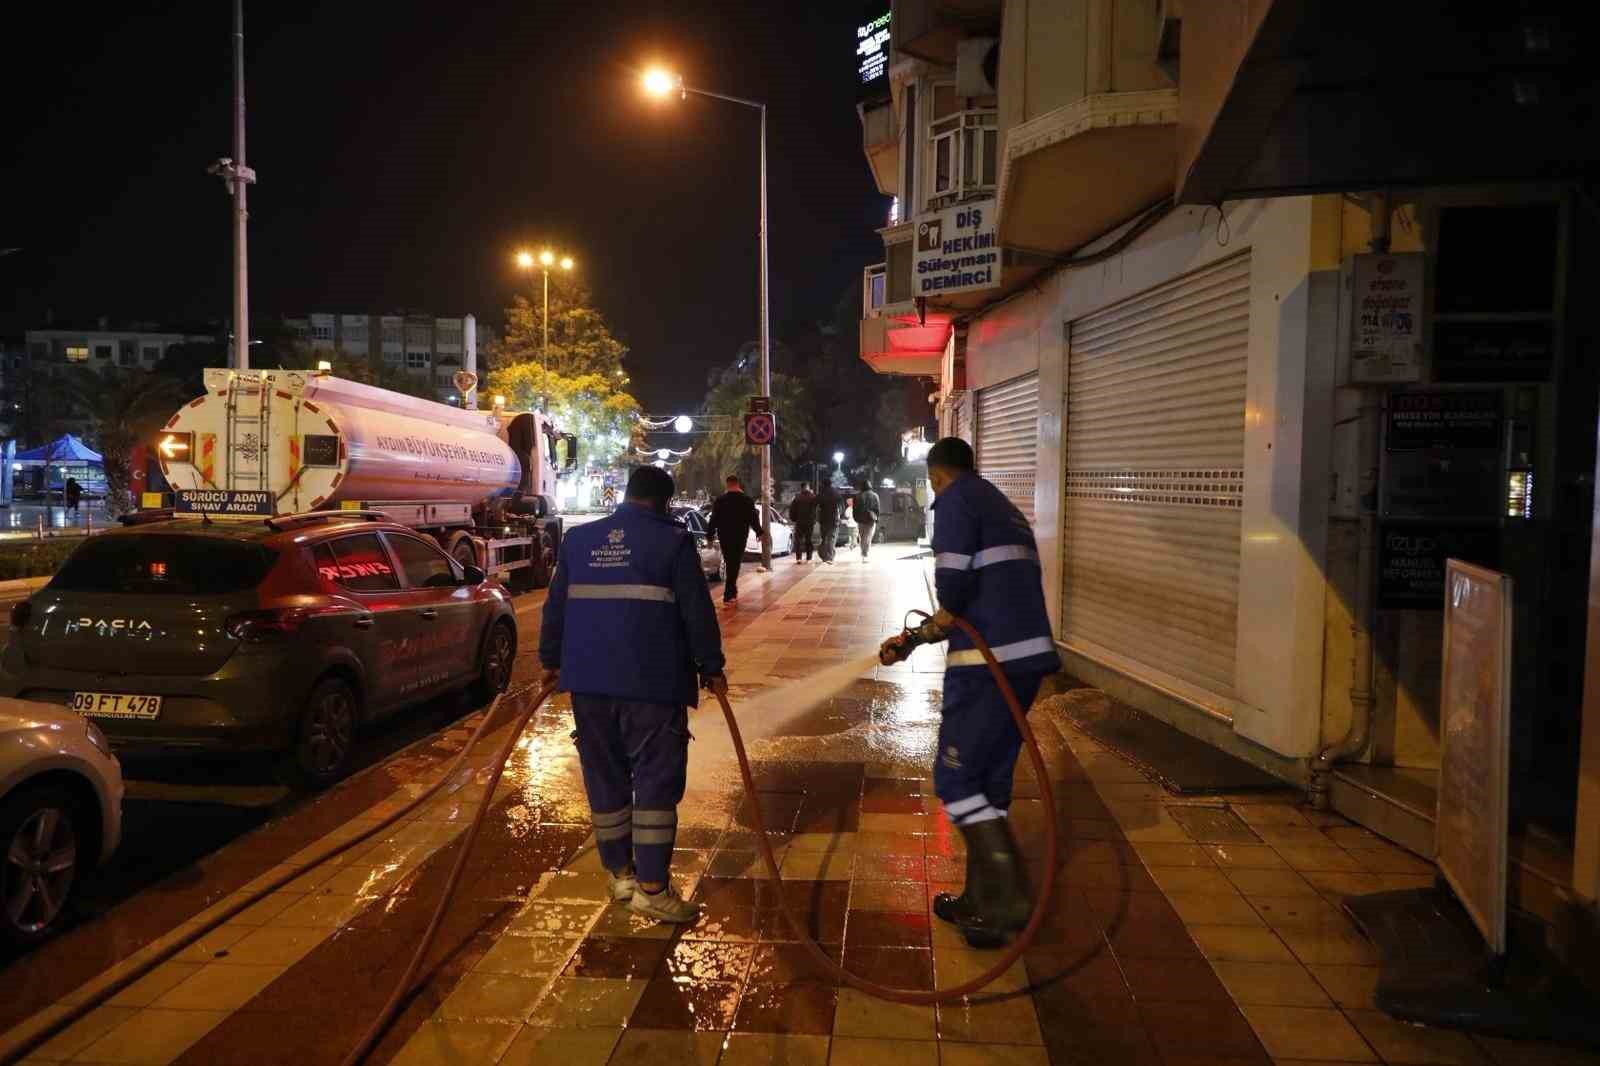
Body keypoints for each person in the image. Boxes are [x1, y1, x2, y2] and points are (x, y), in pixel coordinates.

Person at [879, 436, 1060, 948]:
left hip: (987, 665)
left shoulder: (955, 500)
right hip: (1024, 661)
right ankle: (981, 901)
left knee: (956, 781)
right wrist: (916, 639)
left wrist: (930, 626)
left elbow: (954, 590)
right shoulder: (1001, 504)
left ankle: (1006, 897)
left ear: (937, 476)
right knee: (990, 781)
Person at [539, 464, 727, 924]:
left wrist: (550, 661)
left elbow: (555, 607)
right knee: (656, 785)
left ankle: (620, 874)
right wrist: (712, 667)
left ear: (627, 495)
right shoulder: (673, 541)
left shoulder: (580, 541)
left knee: (605, 779)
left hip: (588, 685)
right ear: (664, 502)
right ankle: (652, 889)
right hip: (652, 685)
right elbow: (697, 614)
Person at [709, 474, 760, 603]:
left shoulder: (720, 500)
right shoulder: (746, 500)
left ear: (727, 484)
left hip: (724, 535)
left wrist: (709, 535)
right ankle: (729, 591)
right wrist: (759, 532)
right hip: (740, 535)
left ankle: (731, 590)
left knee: (729, 561)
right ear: (738, 484)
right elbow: (753, 518)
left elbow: (713, 519)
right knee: (735, 562)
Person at [788, 484, 818, 563]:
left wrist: (794, 519)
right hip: (809, 522)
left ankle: (799, 558)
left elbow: (792, 510)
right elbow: (816, 510)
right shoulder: (813, 497)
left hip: (799, 522)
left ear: (801, 488)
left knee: (798, 540)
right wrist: (814, 520)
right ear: (808, 488)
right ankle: (809, 558)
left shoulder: (797, 497)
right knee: (809, 539)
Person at [853, 481, 881, 560]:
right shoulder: (875, 496)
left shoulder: (857, 496)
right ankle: (865, 553)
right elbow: (877, 509)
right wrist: (877, 518)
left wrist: (856, 518)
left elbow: (854, 509)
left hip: (860, 519)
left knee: (862, 536)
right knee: (868, 536)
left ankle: (863, 552)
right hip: (871, 519)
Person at [816, 481, 840, 564]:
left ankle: (824, 556)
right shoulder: (835, 493)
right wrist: (840, 515)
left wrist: (816, 517)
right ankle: (829, 557)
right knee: (831, 538)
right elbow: (841, 505)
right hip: (833, 519)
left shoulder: (821, 493)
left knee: (824, 538)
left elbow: (815, 504)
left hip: (823, 520)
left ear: (823, 484)